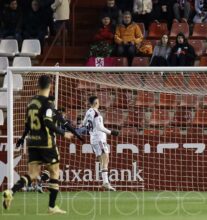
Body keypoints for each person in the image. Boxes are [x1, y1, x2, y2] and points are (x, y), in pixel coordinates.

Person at [2, 75, 74, 213]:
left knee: (33, 174)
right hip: (46, 143)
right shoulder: (47, 103)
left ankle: (11, 192)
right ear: (50, 86)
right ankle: (52, 207)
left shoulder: (31, 102)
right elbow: (48, 122)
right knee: (54, 172)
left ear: (37, 86)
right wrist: (63, 133)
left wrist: (22, 138)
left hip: (32, 142)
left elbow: (27, 124)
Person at [83, 96, 120, 191]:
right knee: (105, 158)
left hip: (94, 139)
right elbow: (99, 127)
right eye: (98, 101)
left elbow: (84, 124)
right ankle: (105, 182)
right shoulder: (95, 112)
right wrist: (111, 132)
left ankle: (105, 182)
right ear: (95, 102)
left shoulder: (88, 112)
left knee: (103, 160)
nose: (99, 103)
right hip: (99, 138)